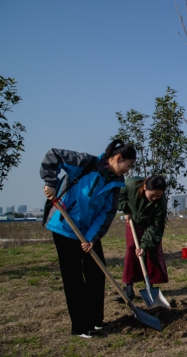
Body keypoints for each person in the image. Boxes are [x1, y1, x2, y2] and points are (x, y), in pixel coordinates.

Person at [40, 139, 136, 338]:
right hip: (64, 226)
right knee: (74, 277)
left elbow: (105, 214)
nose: (129, 170)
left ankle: (94, 320)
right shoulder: (85, 163)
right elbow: (54, 155)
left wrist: (92, 238)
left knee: (96, 273)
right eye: (129, 165)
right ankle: (80, 326)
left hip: (87, 232)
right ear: (118, 158)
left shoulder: (116, 184)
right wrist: (50, 182)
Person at [115, 175, 169, 302]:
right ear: (145, 187)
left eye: (158, 196)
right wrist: (126, 210)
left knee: (152, 248)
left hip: (151, 223)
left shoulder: (161, 203)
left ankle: (150, 284)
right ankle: (128, 287)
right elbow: (119, 194)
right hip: (134, 220)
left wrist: (144, 246)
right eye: (152, 195)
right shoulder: (131, 185)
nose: (155, 198)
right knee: (131, 247)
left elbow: (156, 227)